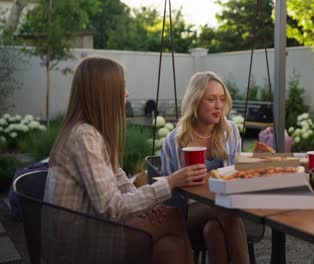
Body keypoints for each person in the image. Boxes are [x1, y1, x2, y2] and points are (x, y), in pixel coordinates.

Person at [45, 57, 206, 264]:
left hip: (92, 229)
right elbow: (112, 208)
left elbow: (122, 184)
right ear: (104, 93)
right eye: (122, 87)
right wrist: (171, 181)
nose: (127, 93)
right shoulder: (84, 136)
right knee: (173, 219)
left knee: (169, 245)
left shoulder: (93, 134)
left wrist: (149, 205)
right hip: (78, 246)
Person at [161, 71, 249, 264]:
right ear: (196, 101)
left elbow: (236, 174)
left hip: (221, 209)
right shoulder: (175, 140)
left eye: (222, 99)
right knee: (225, 208)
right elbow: (167, 195)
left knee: (213, 231)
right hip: (187, 214)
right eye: (211, 99)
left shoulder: (231, 131)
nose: (219, 106)